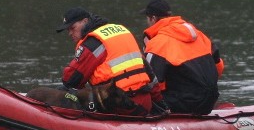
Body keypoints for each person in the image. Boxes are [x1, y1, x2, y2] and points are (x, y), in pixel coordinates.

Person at [29, 7, 159, 116]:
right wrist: (159, 103)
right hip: (144, 102)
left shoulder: (93, 43)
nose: (70, 33)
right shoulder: (121, 30)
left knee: (63, 91)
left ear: (85, 21)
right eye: (67, 30)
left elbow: (71, 80)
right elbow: (150, 73)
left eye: (72, 28)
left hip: (121, 105)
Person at [140, 0, 223, 115]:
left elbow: (153, 83)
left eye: (147, 18)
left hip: (182, 104)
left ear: (153, 18)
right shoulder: (200, 35)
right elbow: (219, 68)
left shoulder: (157, 44)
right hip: (209, 101)